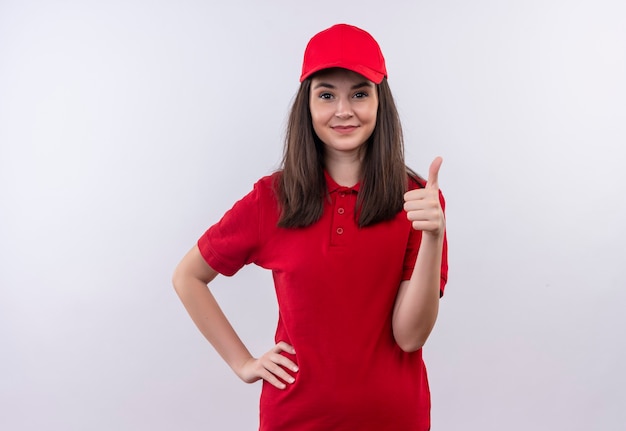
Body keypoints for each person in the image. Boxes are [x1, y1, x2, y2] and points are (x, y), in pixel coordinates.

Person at [172, 23, 449, 431]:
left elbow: (410, 337)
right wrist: (243, 363)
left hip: (394, 419)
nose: (343, 110)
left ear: (380, 101)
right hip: (294, 419)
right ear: (307, 104)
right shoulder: (271, 200)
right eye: (326, 95)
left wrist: (433, 235)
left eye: (359, 93)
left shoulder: (418, 201)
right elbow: (188, 276)